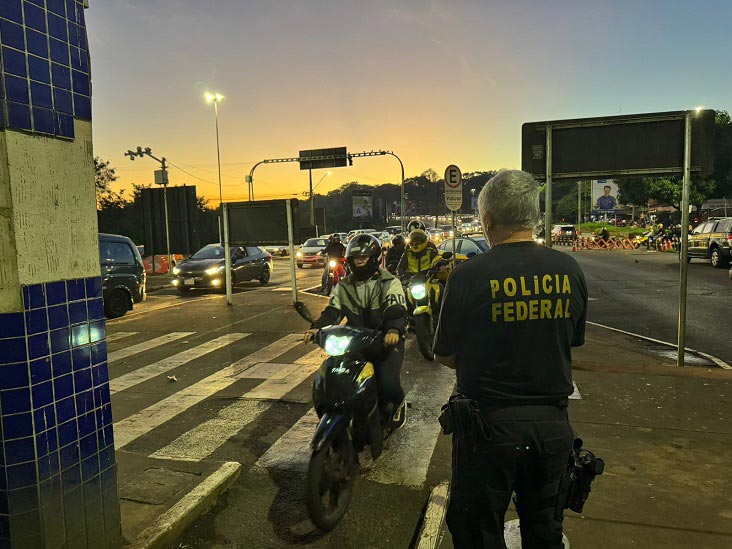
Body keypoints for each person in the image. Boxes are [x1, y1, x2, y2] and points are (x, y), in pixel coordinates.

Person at [434, 169, 588, 548]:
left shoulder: (468, 276)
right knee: (544, 531)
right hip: (552, 429)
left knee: (477, 532)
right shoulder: (569, 269)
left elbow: (446, 355)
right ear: (533, 217)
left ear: (487, 220)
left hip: (487, 431)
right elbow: (572, 339)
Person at [305, 234, 407, 429]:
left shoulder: (389, 282)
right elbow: (332, 311)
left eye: (364, 256)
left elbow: (397, 310)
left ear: (374, 257)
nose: (359, 260)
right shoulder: (344, 286)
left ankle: (398, 403)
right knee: (335, 375)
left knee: (388, 383)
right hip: (355, 340)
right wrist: (316, 328)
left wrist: (393, 329)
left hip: (386, 340)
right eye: (356, 257)